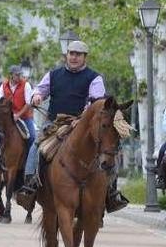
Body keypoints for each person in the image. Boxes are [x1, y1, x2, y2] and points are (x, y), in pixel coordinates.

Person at [16, 40, 129, 213]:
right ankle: (30, 186)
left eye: (78, 54)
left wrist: (83, 118)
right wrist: (37, 96)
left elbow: (96, 102)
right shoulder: (53, 75)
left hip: (83, 125)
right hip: (54, 123)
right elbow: (39, 89)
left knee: (108, 147)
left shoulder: (94, 78)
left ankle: (111, 192)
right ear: (66, 55)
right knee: (36, 147)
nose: (74, 57)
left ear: (85, 57)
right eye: (71, 53)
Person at [0, 64, 36, 163]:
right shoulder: (3, 85)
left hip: (24, 117)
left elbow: (28, 103)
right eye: (17, 75)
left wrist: (18, 115)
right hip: (8, 117)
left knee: (32, 137)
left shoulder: (26, 85)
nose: (20, 77)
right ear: (11, 75)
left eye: (20, 75)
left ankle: (28, 161)